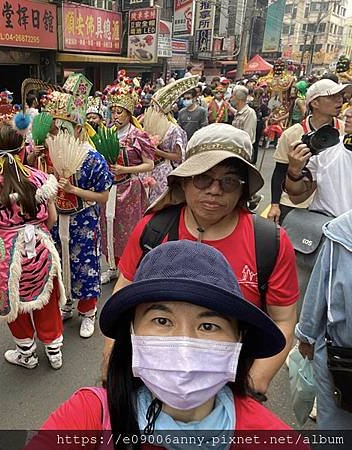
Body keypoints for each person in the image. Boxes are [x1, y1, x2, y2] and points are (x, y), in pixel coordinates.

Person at [30, 241, 299, 449]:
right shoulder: (90, 415)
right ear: (133, 332)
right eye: (162, 320)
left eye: (208, 326)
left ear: (237, 339)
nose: (184, 347)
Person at [106, 124, 299, 399]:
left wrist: (254, 381)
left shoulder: (269, 243)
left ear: (243, 189)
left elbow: (283, 319)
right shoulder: (152, 230)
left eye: (229, 181)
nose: (214, 190)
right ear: (185, 181)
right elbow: (124, 294)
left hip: (231, 384)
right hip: (150, 380)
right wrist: (111, 360)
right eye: (203, 178)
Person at [0, 120, 65, 369]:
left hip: (4, 251)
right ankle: (54, 351)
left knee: (12, 298)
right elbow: (51, 220)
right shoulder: (40, 178)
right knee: (46, 296)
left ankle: (26, 354)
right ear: (22, 149)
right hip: (39, 246)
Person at [39, 74, 114, 338]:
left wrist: (74, 190)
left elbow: (103, 196)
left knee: (85, 264)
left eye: (66, 128)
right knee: (60, 263)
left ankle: (88, 311)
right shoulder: (50, 152)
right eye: (57, 128)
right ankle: (67, 303)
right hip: (58, 217)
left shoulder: (93, 158)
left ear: (80, 129)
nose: (60, 133)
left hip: (84, 219)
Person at [296, 210, 352, 429]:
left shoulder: (343, 229)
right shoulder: (342, 230)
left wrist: (307, 335)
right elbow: (320, 286)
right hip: (339, 357)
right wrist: (307, 334)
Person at [99, 71, 155, 285]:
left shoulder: (137, 136)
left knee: (129, 231)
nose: (115, 115)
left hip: (130, 190)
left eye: (120, 111)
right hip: (109, 188)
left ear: (129, 113)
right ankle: (112, 266)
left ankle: (129, 268)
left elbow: (149, 164)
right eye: (113, 111)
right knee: (108, 227)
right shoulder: (108, 133)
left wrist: (126, 170)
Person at [268, 79, 349, 224]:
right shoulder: (292, 133)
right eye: (332, 96)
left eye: (341, 95)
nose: (339, 100)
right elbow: (280, 171)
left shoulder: (345, 131)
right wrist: (274, 205)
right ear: (315, 103)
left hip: (330, 211)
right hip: (293, 204)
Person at [284, 106, 352, 218]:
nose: (347, 113)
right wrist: (294, 171)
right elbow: (296, 198)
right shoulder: (331, 144)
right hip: (321, 226)